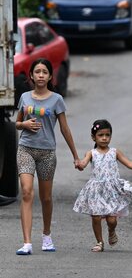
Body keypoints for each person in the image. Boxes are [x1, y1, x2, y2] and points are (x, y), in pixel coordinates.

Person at [15, 58, 81, 255]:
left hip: (47, 153)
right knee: (27, 192)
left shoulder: (57, 99)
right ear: (32, 76)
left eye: (45, 72)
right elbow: (17, 123)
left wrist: (76, 156)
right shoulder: (25, 97)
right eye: (37, 72)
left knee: (46, 198)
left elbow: (65, 129)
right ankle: (27, 243)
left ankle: (46, 235)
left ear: (50, 76)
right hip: (25, 149)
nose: (41, 75)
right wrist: (24, 125)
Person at [73, 119, 132, 252]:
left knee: (111, 220)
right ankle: (99, 242)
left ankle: (111, 230)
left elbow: (129, 163)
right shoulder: (91, 153)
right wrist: (79, 165)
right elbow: (83, 164)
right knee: (96, 216)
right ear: (94, 137)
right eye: (100, 135)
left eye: (107, 135)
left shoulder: (115, 152)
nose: (104, 138)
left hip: (111, 190)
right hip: (96, 190)